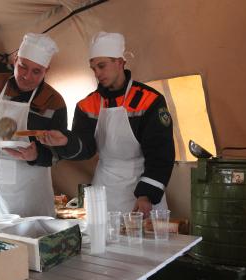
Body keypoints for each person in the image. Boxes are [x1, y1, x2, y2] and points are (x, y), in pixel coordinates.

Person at [39, 31, 175, 217]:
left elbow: (160, 152)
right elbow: (86, 148)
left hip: (142, 187)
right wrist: (65, 141)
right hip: (105, 188)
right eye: (93, 68)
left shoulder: (148, 100)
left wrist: (146, 195)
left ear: (120, 62)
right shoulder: (87, 105)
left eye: (102, 66)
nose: (97, 73)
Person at [0, 33, 67, 217]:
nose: (27, 76)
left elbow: (59, 152)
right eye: (23, 67)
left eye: (36, 71)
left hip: (31, 192)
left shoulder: (53, 101)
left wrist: (37, 154)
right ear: (15, 60)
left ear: (46, 70)